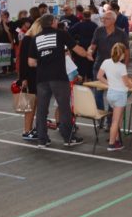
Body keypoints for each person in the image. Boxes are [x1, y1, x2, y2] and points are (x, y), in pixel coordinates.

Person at [28, 14, 91, 148]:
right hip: (58, 77)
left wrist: (44, 62)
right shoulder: (61, 34)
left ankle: (42, 140)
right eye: (56, 20)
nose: (57, 22)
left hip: (42, 79)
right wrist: (87, 54)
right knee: (64, 108)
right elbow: (77, 50)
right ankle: (68, 138)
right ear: (52, 22)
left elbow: (31, 62)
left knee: (41, 110)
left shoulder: (35, 38)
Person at [88, 10, 129, 118]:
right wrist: (90, 51)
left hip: (115, 68)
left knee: (114, 92)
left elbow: (126, 51)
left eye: (107, 18)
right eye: (103, 18)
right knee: (98, 93)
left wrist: (125, 66)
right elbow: (93, 45)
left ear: (114, 20)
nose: (104, 20)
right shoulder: (99, 30)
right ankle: (101, 117)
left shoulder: (121, 33)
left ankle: (110, 119)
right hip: (100, 65)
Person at [98, 43, 132, 151]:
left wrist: (109, 83)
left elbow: (99, 76)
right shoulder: (122, 66)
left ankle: (117, 140)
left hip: (110, 94)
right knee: (115, 120)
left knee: (118, 119)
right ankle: (111, 144)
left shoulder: (106, 62)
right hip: (120, 95)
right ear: (122, 54)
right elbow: (126, 83)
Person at [18, 18, 42, 141]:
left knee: (33, 104)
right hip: (29, 76)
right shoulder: (28, 39)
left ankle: (29, 129)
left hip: (34, 75)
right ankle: (26, 130)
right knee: (29, 105)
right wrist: (23, 78)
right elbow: (23, 61)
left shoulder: (33, 38)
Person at [69, 10, 98, 81]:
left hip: (81, 47)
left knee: (81, 65)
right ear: (90, 16)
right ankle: (90, 79)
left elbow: (70, 32)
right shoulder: (95, 25)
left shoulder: (79, 25)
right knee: (90, 64)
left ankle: (81, 79)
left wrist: (75, 41)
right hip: (92, 47)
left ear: (83, 16)